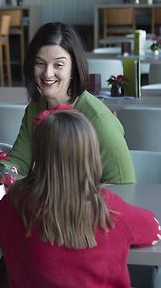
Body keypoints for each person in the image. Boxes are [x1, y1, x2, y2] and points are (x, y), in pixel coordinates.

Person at [0, 109, 160, 288]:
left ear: (38, 155)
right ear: (92, 157)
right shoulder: (110, 209)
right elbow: (153, 230)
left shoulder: (15, 205)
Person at [11, 21, 135, 184]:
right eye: (40, 63)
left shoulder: (98, 120)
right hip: (48, 205)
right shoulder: (36, 107)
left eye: (58, 65)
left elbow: (125, 184)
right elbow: (19, 162)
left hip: (89, 207)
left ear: (73, 68)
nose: (48, 73)